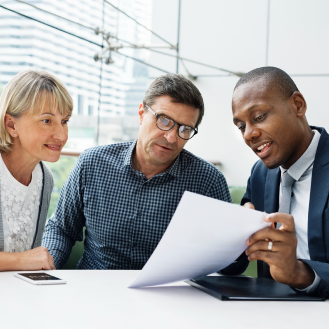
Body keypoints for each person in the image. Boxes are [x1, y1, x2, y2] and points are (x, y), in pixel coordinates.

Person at [42, 73, 232, 269]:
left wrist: (242, 241)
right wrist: (46, 268)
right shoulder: (92, 164)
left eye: (185, 129)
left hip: (167, 295)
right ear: (142, 113)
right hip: (94, 289)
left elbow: (227, 260)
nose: (171, 138)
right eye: (164, 120)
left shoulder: (208, 181)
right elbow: (61, 229)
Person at [225, 66, 329, 298]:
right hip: (268, 314)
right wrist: (229, 240)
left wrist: (300, 273)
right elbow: (236, 265)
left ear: (298, 105)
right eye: (241, 126)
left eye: (259, 117)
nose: (248, 134)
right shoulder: (260, 174)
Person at [0, 70, 73, 271]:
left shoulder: (44, 179)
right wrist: (20, 261)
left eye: (65, 121)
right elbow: (27, 259)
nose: (61, 135)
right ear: (11, 124)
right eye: (47, 121)